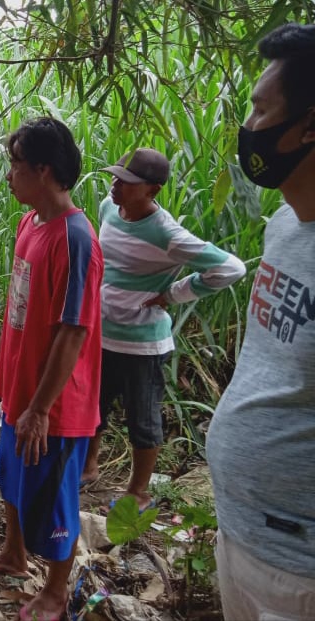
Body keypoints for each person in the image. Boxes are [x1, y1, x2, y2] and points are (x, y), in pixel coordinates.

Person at [0, 118, 103, 621]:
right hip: (20, 390)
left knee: (53, 498)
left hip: (55, 405)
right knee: (10, 476)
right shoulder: (31, 224)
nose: (8, 176)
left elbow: (74, 332)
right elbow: (18, 307)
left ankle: (56, 591)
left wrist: (41, 409)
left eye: (15, 165)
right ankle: (13, 553)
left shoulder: (76, 239)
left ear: (43, 170)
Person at [206, 22, 315, 619]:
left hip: (300, 571)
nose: (247, 127)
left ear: (310, 124)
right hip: (241, 534)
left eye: (259, 108)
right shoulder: (284, 226)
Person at [81, 148, 245, 511]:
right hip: (102, 334)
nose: (115, 185)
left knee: (143, 418)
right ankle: (88, 468)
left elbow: (231, 268)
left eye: (127, 182)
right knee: (94, 405)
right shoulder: (110, 209)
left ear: (152, 190)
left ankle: (138, 491)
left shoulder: (166, 233)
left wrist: (173, 294)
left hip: (142, 344)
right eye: (115, 177)